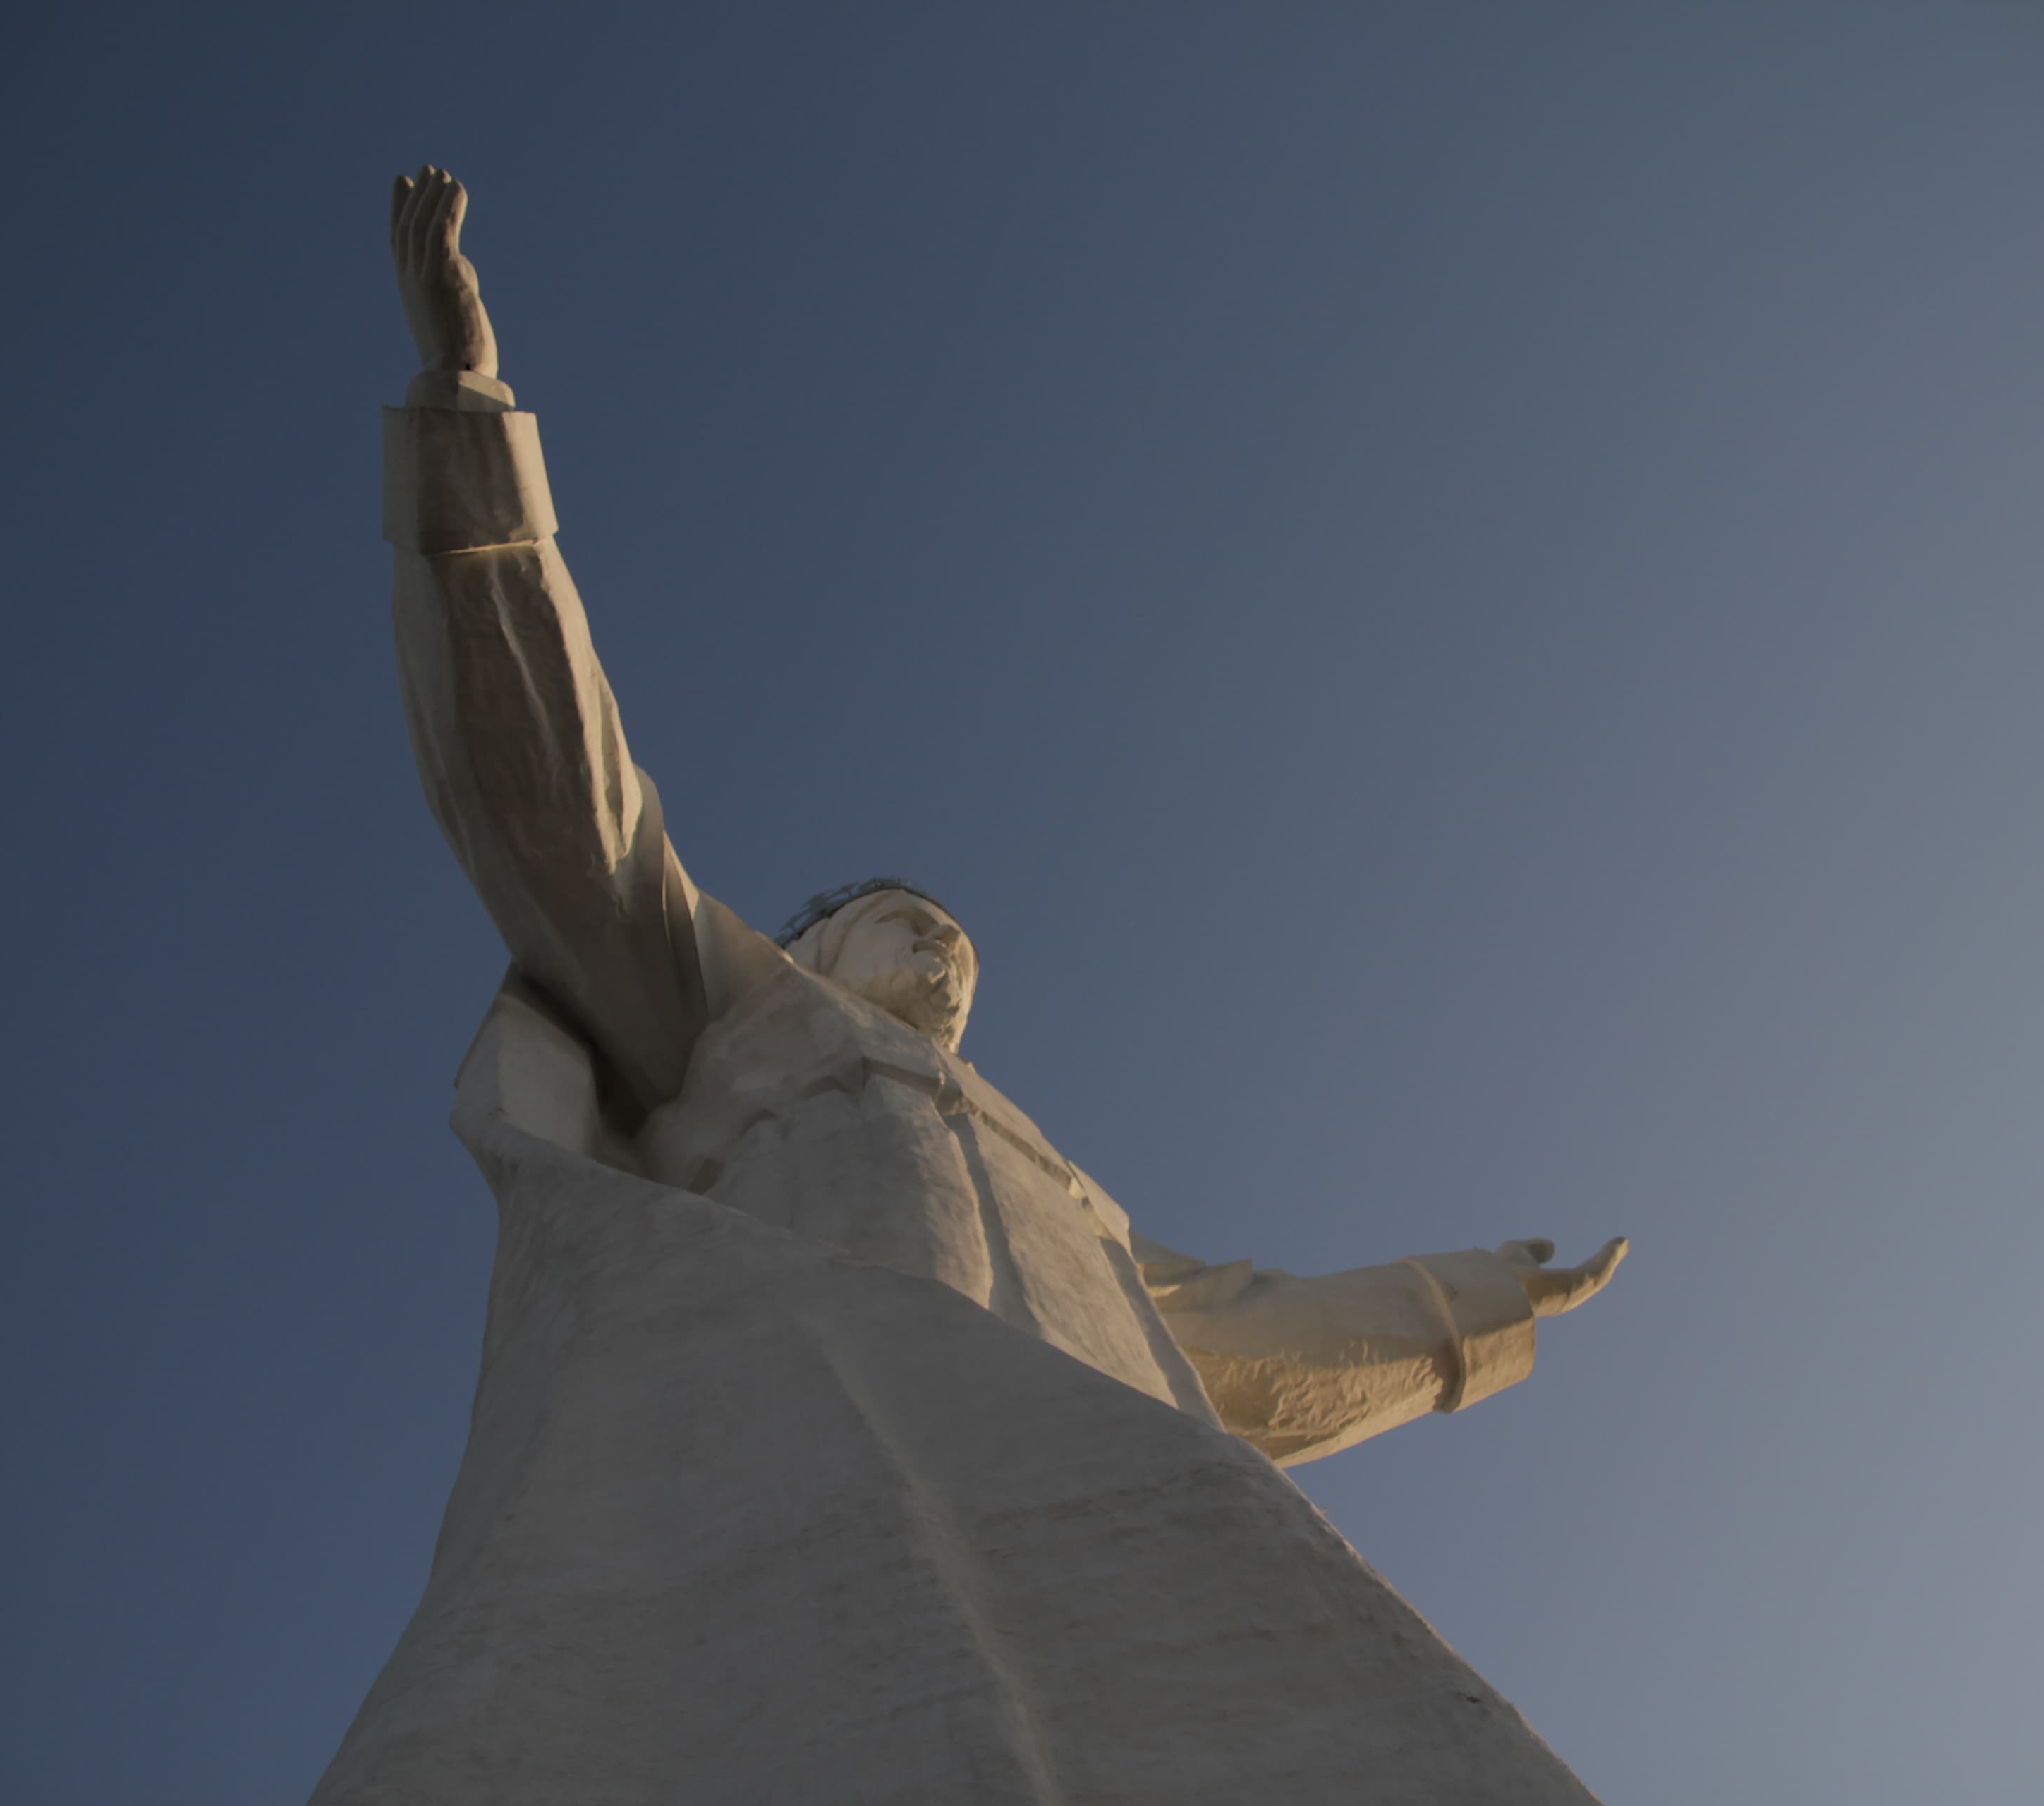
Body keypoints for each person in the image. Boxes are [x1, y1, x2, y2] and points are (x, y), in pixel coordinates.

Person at [311, 166, 1625, 1805]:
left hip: (1124, 1498)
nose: (943, 952)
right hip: (779, 1460)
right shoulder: (733, 1009)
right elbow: (565, 814)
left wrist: (1470, 1311)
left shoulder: (1073, 1194)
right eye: (904, 921)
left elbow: (1255, 1340)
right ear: (812, 947)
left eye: (960, 947)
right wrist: (469, 432)